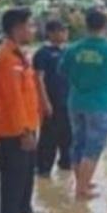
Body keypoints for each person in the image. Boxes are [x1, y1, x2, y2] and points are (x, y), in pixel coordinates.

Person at [59, 9, 107, 200]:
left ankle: (83, 181)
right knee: (94, 146)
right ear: (105, 26)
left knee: (78, 143)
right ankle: (81, 189)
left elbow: (62, 71)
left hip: (76, 102)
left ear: (85, 25)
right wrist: (106, 84)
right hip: (100, 103)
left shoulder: (73, 49)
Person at [0, 8, 40, 213]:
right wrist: (24, 132)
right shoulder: (7, 58)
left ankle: (23, 211)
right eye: (30, 25)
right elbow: (13, 100)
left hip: (28, 124)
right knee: (14, 176)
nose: (33, 29)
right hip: (15, 129)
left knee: (26, 173)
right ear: (17, 28)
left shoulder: (19, 54)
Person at [33, 20, 71, 177]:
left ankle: (65, 167)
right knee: (49, 137)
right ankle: (43, 169)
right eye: (61, 31)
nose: (65, 34)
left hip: (68, 102)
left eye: (65, 30)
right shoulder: (43, 53)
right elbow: (38, 79)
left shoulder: (67, 51)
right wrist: (45, 101)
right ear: (51, 33)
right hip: (51, 102)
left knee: (68, 136)